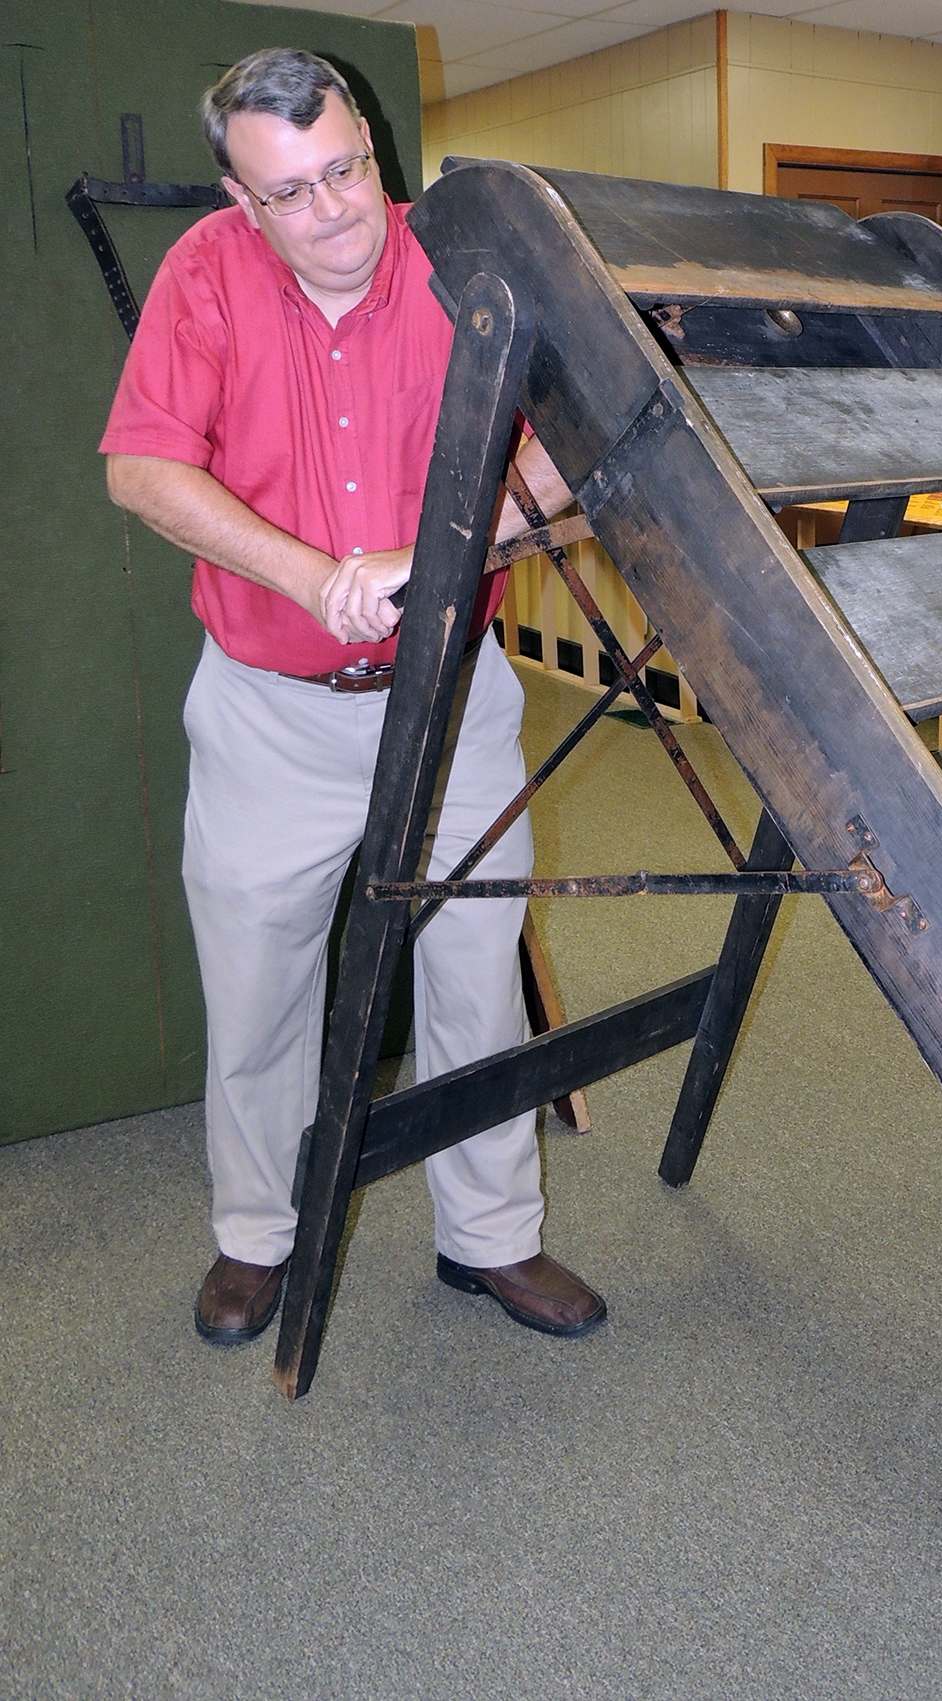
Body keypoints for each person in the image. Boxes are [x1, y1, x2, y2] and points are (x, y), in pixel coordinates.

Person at [100, 48, 605, 1348]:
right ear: (239, 197)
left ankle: (491, 1235)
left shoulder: (464, 266)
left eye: (347, 171)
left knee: (475, 969)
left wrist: (460, 540)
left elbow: (572, 461)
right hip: (270, 709)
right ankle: (256, 1233)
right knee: (261, 986)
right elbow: (144, 471)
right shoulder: (205, 274)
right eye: (293, 192)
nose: (334, 213)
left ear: (372, 149)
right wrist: (313, 576)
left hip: (451, 695)